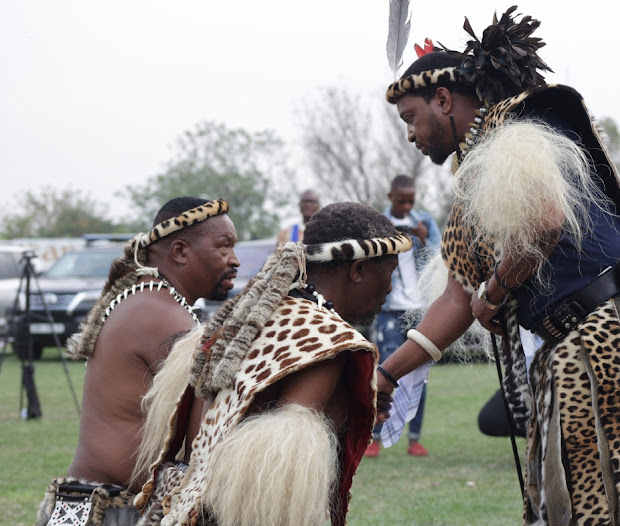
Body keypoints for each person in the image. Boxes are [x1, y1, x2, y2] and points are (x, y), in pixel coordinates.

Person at [379, 7, 620, 525]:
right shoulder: (479, 168)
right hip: (614, 330)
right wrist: (389, 374)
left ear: (442, 99)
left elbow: (544, 220)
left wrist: (493, 291)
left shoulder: (514, 124)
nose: (410, 135)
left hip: (611, 339)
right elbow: (454, 298)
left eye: (409, 118)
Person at [133, 202, 411, 526]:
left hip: (184, 510)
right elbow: (277, 487)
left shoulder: (251, 318)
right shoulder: (322, 337)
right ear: (358, 269)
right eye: (388, 273)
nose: (390, 289)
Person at [35, 197, 239, 526]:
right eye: (224, 246)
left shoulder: (149, 300)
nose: (235, 260)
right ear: (180, 252)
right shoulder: (158, 312)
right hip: (111, 511)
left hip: (93, 507)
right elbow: (209, 426)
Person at [365, 175, 441, 458]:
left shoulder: (425, 220)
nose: (407, 205)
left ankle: (414, 439)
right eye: (401, 200)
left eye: (411, 200)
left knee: (418, 371)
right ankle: (374, 437)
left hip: (418, 308)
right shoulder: (379, 223)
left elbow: (441, 257)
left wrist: (423, 236)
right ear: (390, 198)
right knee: (383, 369)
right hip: (388, 307)